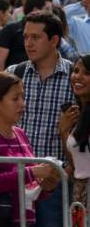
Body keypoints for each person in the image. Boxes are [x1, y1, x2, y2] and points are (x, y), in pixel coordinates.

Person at [7, 11, 76, 227]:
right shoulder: (14, 74)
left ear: (54, 40)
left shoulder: (76, 78)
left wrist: (66, 173)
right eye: (26, 37)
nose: (28, 43)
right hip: (17, 180)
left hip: (55, 184)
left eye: (36, 37)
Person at [0, 72, 60, 226]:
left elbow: (28, 187)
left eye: (23, 97)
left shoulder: (20, 134)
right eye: (15, 98)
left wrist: (46, 187)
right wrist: (32, 172)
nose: (22, 103)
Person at [59, 54, 90, 218]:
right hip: (79, 193)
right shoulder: (81, 113)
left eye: (86, 73)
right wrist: (64, 131)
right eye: (76, 71)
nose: (78, 76)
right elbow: (78, 163)